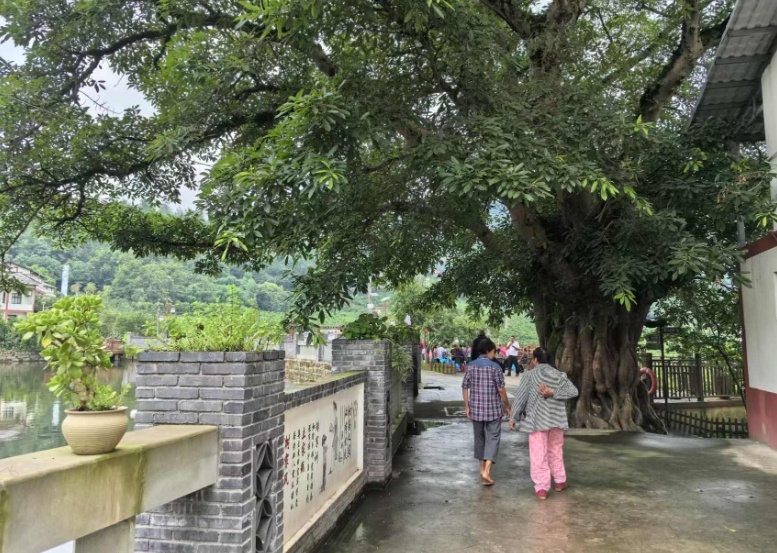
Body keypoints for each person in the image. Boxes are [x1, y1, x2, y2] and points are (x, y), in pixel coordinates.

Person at [509, 347, 578, 500]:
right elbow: (574, 391)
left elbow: (521, 398)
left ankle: (541, 488)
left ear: (535, 359)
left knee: (538, 453)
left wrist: (514, 418)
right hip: (557, 420)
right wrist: (554, 392)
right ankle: (560, 481)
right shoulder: (559, 375)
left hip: (537, 420)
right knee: (555, 450)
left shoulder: (530, 375)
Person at [462, 337, 511, 486]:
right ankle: (487, 471)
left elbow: (465, 386)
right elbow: (501, 389)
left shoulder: (470, 366)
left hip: (476, 410)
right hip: (493, 410)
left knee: (479, 438)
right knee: (493, 438)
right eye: (493, 352)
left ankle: (481, 469)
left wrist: (467, 406)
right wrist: (507, 405)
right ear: (489, 351)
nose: (494, 355)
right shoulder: (495, 367)